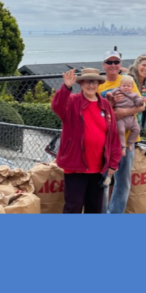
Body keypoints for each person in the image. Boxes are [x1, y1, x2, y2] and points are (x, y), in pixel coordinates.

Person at [51, 68, 122, 213]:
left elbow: (113, 136)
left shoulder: (105, 105)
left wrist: (113, 163)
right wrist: (66, 88)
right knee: (73, 207)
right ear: (81, 84)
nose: (91, 85)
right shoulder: (72, 101)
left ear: (98, 84)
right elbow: (57, 106)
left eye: (94, 82)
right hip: (76, 166)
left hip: (99, 167)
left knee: (95, 208)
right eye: (87, 82)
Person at [98, 50, 145, 213]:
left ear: (120, 65)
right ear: (104, 65)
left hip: (127, 140)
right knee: (103, 179)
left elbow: (142, 105)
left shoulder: (127, 80)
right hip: (105, 140)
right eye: (109, 62)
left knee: (123, 180)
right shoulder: (99, 84)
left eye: (116, 62)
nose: (113, 65)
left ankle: (116, 213)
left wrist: (123, 113)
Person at [105, 75, 146, 156]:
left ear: (132, 87)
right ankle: (123, 147)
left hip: (131, 117)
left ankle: (130, 143)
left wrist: (141, 101)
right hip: (121, 119)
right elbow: (110, 94)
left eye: (128, 86)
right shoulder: (118, 90)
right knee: (121, 130)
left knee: (137, 129)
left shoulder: (134, 95)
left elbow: (139, 104)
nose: (126, 88)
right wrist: (109, 94)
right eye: (124, 86)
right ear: (120, 86)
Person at [127, 53, 146, 131]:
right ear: (137, 65)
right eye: (143, 65)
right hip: (126, 124)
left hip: (139, 126)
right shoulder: (128, 80)